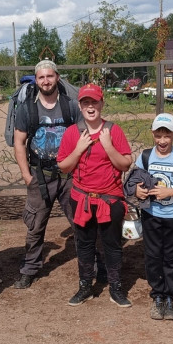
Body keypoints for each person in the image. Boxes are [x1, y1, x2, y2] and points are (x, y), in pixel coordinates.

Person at [57, 84, 133, 307]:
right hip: (82, 199)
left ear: (102, 103)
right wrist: (79, 148)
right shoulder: (73, 132)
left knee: (112, 244)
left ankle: (116, 288)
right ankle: (85, 287)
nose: (90, 107)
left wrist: (108, 146)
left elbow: (125, 164)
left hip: (109, 199)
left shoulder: (113, 130)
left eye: (94, 102)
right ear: (80, 106)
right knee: (84, 244)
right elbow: (63, 166)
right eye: (85, 103)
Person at [13, 59, 82, 289]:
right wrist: (26, 174)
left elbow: (84, 136)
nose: (46, 81)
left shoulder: (71, 106)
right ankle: (30, 268)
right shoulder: (27, 109)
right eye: (41, 77)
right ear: (36, 80)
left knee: (80, 221)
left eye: (49, 76)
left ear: (57, 78)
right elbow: (19, 141)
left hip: (69, 175)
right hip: (39, 175)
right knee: (35, 224)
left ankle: (90, 264)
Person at [133, 113, 173, 320]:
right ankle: (157, 295)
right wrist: (138, 191)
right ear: (152, 134)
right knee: (153, 257)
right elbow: (135, 181)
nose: (162, 140)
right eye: (158, 135)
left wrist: (170, 192)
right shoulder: (145, 156)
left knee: (171, 257)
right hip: (151, 214)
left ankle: (169, 296)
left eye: (167, 135)